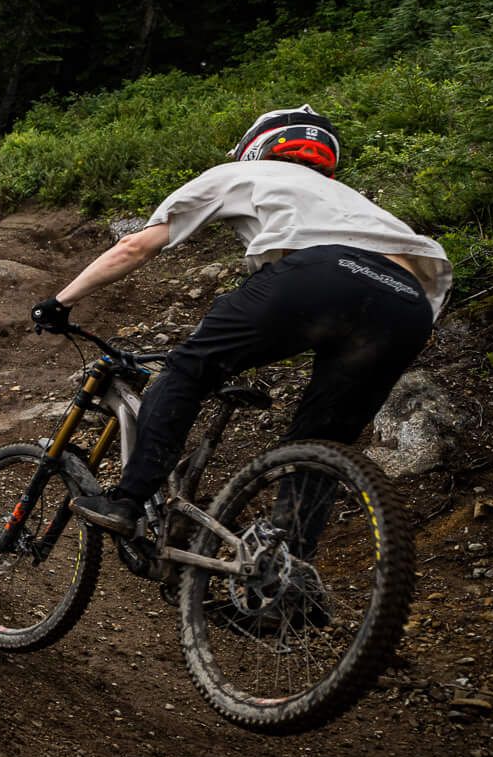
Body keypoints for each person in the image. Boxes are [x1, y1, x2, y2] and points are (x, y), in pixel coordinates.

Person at [27, 106, 449, 539]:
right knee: (320, 445)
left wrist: (61, 301)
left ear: (256, 146)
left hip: (319, 275)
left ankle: (127, 501)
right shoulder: (355, 202)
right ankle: (285, 573)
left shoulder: (243, 174)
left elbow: (135, 247)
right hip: (406, 303)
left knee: (189, 369)